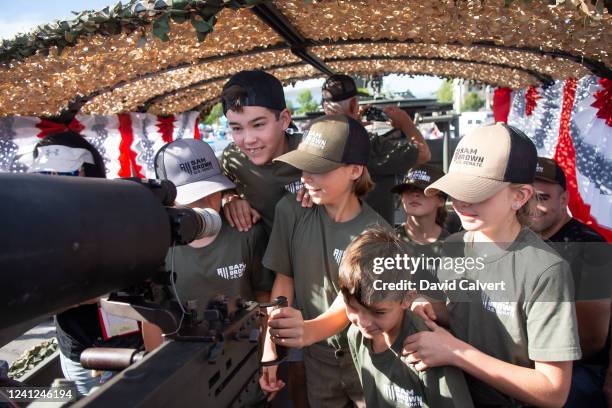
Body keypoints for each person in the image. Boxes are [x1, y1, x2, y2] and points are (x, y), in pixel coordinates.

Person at [266, 124, 582, 407]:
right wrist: (421, 303)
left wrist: (456, 352)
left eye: (477, 193)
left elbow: (552, 390)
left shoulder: (544, 270)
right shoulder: (451, 248)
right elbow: (443, 307)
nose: (461, 203)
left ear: (520, 196)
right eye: (457, 190)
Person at [259, 115, 389, 407]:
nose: (306, 177)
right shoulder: (291, 211)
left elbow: (349, 303)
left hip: (368, 356)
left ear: (355, 170)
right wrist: (271, 348)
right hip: (317, 358)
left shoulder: (377, 235)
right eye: (305, 167)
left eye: (319, 169)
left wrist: (308, 330)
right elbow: (285, 280)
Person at [29, 131, 143, 396]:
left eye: (65, 174)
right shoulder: (36, 226)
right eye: (44, 175)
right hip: (82, 350)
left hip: (131, 343)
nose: (53, 183)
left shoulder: (121, 212)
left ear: (87, 172)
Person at [142, 138, 273, 350]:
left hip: (246, 354)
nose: (204, 203)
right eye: (193, 196)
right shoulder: (158, 245)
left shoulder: (245, 232)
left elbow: (264, 297)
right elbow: (151, 316)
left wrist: (267, 352)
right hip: (186, 359)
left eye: (211, 191)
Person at [339, 226, 474, 407]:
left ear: (407, 298)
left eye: (379, 312)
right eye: (352, 307)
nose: (363, 322)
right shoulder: (355, 335)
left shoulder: (428, 352)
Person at [530, 157, 610, 407]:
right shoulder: (517, 240)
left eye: (542, 198)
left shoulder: (590, 247)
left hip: (579, 368)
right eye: (526, 196)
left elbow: (591, 341)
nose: (532, 206)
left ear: (564, 200)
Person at [321, 74, 431, 224]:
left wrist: (356, 126)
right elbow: (424, 154)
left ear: (325, 107)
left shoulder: (316, 140)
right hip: (373, 237)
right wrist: (405, 122)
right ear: (354, 104)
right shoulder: (372, 145)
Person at [390, 163, 449, 245]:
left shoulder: (455, 245)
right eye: (408, 189)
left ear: (441, 200)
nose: (415, 194)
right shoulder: (387, 243)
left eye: (423, 190)